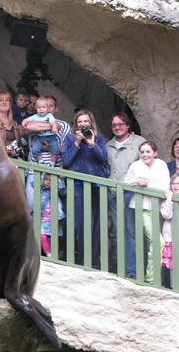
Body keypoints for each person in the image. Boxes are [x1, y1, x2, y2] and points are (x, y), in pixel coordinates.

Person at [62, 110, 108, 268]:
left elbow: (103, 157)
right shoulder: (69, 138)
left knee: (96, 223)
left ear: (91, 122)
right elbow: (66, 161)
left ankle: (94, 261)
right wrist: (76, 143)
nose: (83, 124)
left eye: (85, 121)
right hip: (77, 186)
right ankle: (83, 259)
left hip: (96, 186)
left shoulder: (99, 138)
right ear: (76, 123)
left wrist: (91, 143)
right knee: (80, 224)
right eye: (80, 121)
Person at [106, 112, 146, 278]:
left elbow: (146, 163)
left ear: (128, 125)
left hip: (130, 193)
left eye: (121, 124)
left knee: (132, 232)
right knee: (117, 231)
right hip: (113, 194)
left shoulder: (139, 142)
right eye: (114, 125)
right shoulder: (108, 145)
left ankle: (133, 270)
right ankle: (121, 267)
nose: (117, 127)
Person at [124, 141, 169, 283]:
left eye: (148, 151)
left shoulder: (161, 165)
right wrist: (136, 181)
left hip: (157, 209)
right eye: (142, 152)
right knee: (158, 242)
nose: (145, 154)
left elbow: (165, 187)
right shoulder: (135, 165)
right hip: (139, 208)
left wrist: (147, 184)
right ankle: (150, 279)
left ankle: (153, 276)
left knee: (154, 243)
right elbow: (126, 182)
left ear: (155, 153)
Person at [22, 95, 70, 214]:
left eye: (50, 106)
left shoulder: (64, 125)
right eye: (43, 106)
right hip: (35, 168)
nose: (46, 109)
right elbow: (26, 127)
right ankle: (33, 232)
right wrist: (52, 126)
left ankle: (49, 233)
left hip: (55, 169)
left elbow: (66, 147)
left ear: (55, 109)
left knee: (54, 207)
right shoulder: (33, 120)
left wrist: (51, 148)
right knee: (31, 204)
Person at [0, 92, 24, 159]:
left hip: (12, 161)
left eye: (7, 100)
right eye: (1, 100)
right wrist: (3, 150)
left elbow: (20, 147)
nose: (4, 102)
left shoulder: (15, 124)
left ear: (10, 104)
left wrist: (17, 152)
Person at [24, 97, 59, 167]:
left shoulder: (50, 116)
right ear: (36, 109)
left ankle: (52, 163)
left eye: (44, 107)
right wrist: (24, 122)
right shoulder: (35, 117)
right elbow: (28, 124)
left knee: (55, 151)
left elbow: (54, 124)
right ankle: (40, 161)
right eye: (39, 107)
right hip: (40, 139)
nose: (41, 109)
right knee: (35, 149)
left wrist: (54, 127)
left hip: (51, 137)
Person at [39, 174, 66, 258]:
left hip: (54, 220)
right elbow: (33, 184)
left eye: (50, 180)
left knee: (55, 238)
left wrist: (59, 181)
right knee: (42, 236)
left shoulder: (56, 190)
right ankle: (48, 254)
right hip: (43, 220)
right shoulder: (42, 190)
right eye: (46, 179)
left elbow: (63, 191)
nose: (47, 182)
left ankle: (55, 255)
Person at [160, 173, 179, 288]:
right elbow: (167, 215)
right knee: (171, 265)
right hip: (170, 238)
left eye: (178, 183)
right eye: (174, 183)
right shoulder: (168, 200)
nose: (176, 186)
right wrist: (169, 200)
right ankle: (173, 287)